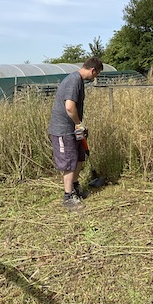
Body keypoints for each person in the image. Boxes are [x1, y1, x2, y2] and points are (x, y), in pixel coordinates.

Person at [48, 57, 103, 210]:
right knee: (69, 163)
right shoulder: (73, 81)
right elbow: (70, 107)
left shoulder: (78, 80)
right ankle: (68, 197)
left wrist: (80, 127)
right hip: (63, 130)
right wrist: (79, 124)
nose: (95, 78)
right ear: (93, 70)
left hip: (73, 129)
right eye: (96, 74)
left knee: (79, 158)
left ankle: (75, 188)